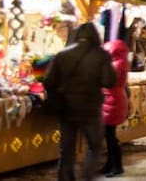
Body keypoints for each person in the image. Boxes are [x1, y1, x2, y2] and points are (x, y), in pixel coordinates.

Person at [44, 22, 116, 181]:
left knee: (66, 150)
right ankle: (86, 176)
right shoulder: (101, 55)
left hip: (66, 108)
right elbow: (109, 81)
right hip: (90, 108)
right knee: (95, 146)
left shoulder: (62, 54)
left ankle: (65, 178)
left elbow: (48, 81)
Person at [101, 38, 130, 177]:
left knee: (110, 135)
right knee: (109, 135)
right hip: (113, 100)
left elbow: (106, 81)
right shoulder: (120, 63)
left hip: (112, 101)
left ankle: (116, 166)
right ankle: (110, 163)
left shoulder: (115, 65)